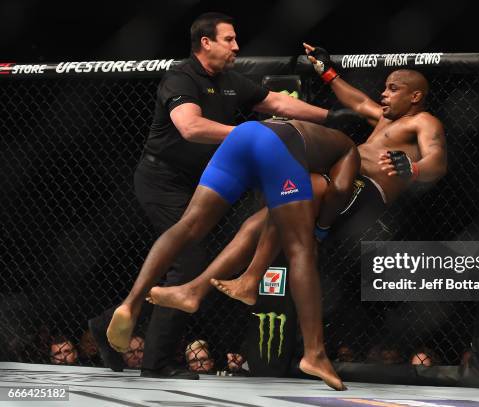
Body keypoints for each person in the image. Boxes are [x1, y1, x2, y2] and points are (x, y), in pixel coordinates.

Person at [88, 12, 342, 380]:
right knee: (188, 260)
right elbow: (190, 127)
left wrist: (333, 116)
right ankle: (156, 362)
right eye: (229, 39)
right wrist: (251, 136)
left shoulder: (229, 80)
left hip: (206, 182)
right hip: (163, 180)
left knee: (204, 256)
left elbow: (279, 104)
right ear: (205, 42)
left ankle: (109, 322)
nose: (237, 47)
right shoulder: (181, 77)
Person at [146, 43, 446, 308]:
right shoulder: (384, 116)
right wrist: (328, 72)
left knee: (278, 209)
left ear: (416, 96)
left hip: (365, 189)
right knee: (261, 220)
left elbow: (437, 160)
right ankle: (215, 287)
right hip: (340, 179)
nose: (383, 93)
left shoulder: (423, 121)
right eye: (385, 87)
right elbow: (356, 101)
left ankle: (219, 286)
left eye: (393, 89)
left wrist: (415, 168)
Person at [106, 119, 358, 390]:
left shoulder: (318, 138)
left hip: (244, 134)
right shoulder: (348, 150)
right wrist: (321, 228)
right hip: (276, 145)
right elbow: (341, 189)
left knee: (189, 224)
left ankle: (131, 303)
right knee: (301, 249)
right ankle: (315, 353)